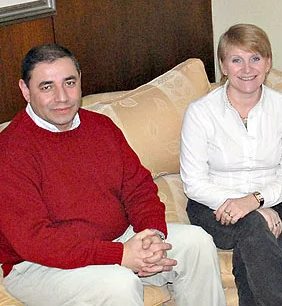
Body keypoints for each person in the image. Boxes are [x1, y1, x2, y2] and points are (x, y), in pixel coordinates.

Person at [0, 44, 225, 306]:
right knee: (119, 283)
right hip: (38, 266)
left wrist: (152, 234)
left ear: (80, 81)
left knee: (196, 242)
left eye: (69, 82)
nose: (62, 97)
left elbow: (139, 188)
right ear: (25, 91)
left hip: (118, 241)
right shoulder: (10, 150)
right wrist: (119, 255)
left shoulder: (100, 127)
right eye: (47, 87)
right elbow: (36, 242)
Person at [180, 23, 282, 306]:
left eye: (255, 59)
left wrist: (255, 202)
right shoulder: (200, 112)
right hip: (212, 208)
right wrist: (237, 204)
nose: (247, 69)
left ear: (268, 63)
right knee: (255, 229)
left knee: (250, 240)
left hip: (275, 202)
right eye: (237, 60)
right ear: (223, 65)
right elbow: (194, 182)